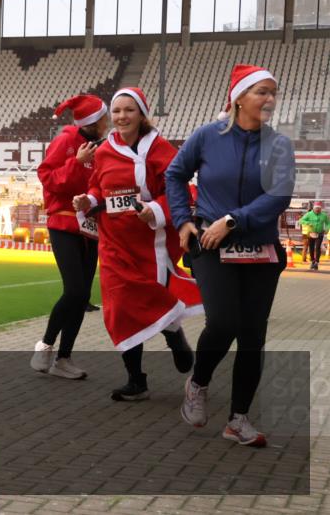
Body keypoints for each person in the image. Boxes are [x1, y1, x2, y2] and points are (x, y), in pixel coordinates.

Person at [166, 64, 296, 448]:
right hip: (210, 246)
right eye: (261, 92)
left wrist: (233, 221)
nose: (270, 99)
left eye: (273, 92)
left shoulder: (280, 145)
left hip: (261, 249)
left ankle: (238, 420)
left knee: (253, 336)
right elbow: (175, 175)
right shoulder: (207, 136)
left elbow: (279, 195)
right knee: (223, 323)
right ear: (239, 97)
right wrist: (182, 221)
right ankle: (199, 381)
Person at [72, 87, 200, 401]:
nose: (121, 117)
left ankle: (175, 336)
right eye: (116, 111)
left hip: (150, 243)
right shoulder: (103, 151)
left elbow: (179, 191)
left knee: (151, 296)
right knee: (119, 307)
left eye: (129, 110)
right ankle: (136, 380)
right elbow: (98, 188)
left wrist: (154, 209)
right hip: (114, 243)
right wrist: (86, 199)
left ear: (142, 114)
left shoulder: (161, 149)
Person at [30, 94, 109, 379]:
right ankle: (46, 344)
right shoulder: (66, 141)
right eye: (105, 117)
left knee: (83, 295)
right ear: (94, 121)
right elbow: (47, 176)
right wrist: (77, 162)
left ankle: (63, 359)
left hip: (90, 229)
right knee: (74, 290)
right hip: (63, 224)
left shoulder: (102, 146)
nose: (109, 121)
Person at [300, 201, 328, 271]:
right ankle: (312, 261)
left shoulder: (324, 215)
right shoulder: (309, 214)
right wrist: (308, 223)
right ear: (313, 209)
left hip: (320, 233)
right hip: (311, 233)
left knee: (318, 247)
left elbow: (328, 223)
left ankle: (316, 262)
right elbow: (301, 220)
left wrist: (327, 229)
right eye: (316, 209)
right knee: (311, 248)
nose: (317, 210)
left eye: (319, 209)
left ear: (321, 209)